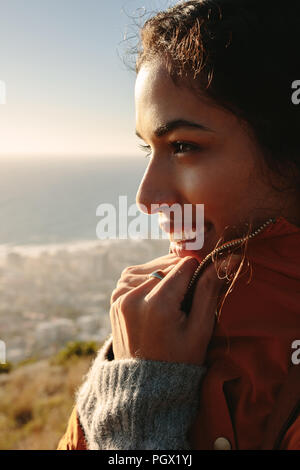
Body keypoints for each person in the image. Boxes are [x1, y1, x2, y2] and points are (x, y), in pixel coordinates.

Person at [57, 0, 300, 450]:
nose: (146, 199)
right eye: (149, 150)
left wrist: (140, 405)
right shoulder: (147, 327)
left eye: (184, 145)